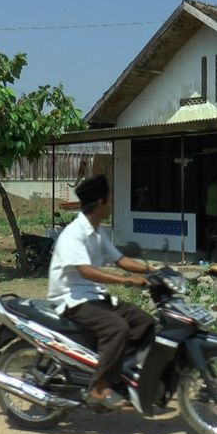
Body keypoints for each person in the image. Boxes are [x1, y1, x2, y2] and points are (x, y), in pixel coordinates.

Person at [47, 174, 154, 410]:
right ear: (99, 203)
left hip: (93, 296)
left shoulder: (97, 231)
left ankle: (118, 374)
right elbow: (86, 271)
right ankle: (98, 387)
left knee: (144, 322)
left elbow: (120, 259)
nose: (113, 203)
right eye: (110, 199)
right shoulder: (74, 233)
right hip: (71, 299)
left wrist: (152, 270)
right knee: (117, 328)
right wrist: (126, 282)